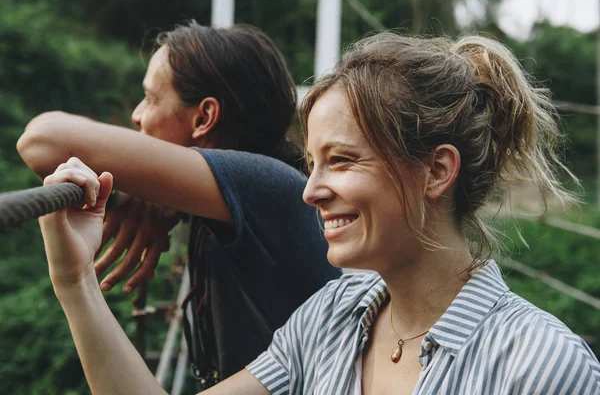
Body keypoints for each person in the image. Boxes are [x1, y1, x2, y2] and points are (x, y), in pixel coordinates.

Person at [35, 31, 600, 394]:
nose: (310, 190)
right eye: (311, 163)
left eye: (342, 160)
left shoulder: (538, 366)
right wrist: (75, 280)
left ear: (436, 171)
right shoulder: (330, 319)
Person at [17, 21, 340, 389]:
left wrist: (149, 187)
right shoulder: (252, 197)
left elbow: (41, 140)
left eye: (151, 98)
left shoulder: (266, 184)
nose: (137, 115)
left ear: (204, 117)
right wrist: (159, 195)